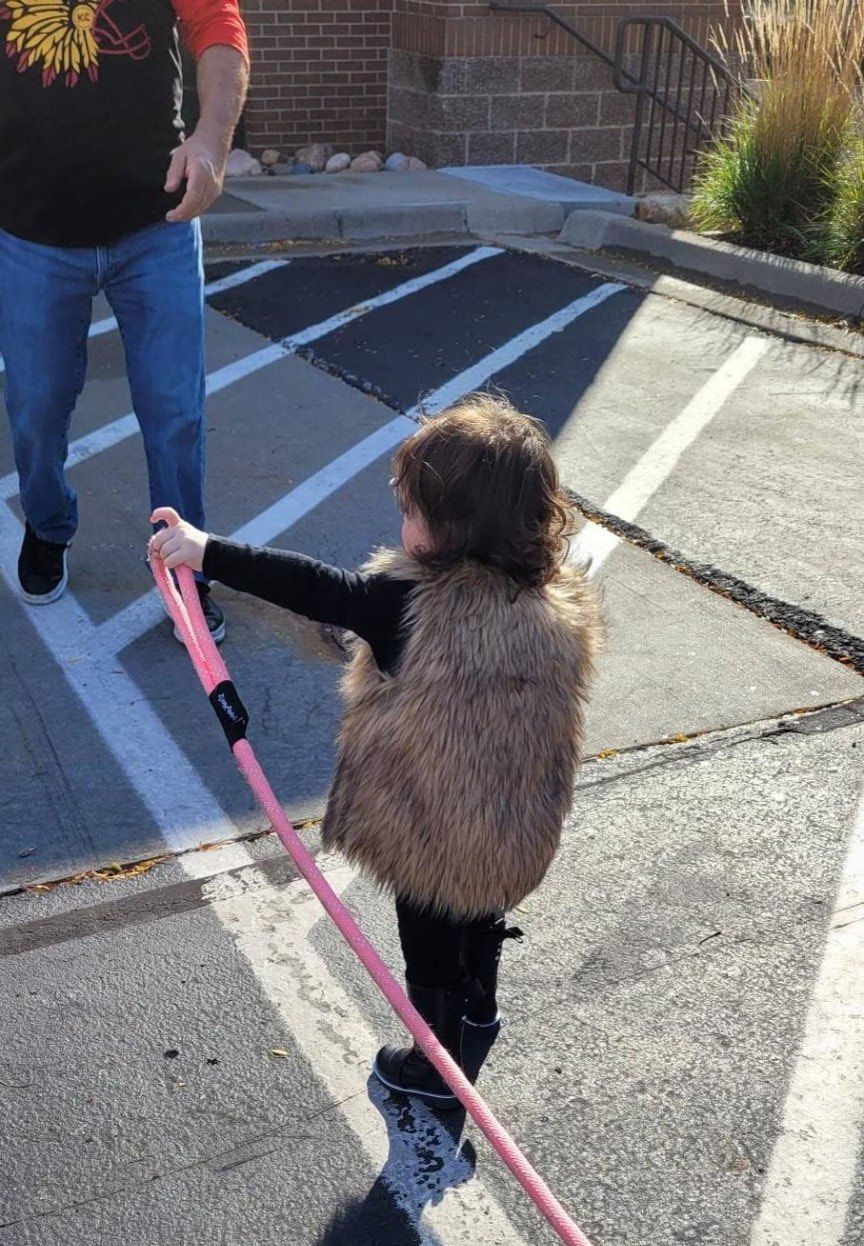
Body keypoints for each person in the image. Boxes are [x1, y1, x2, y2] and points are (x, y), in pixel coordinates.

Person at [149, 395, 604, 1108]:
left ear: (451, 530)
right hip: (513, 823)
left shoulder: (408, 607)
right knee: (478, 912)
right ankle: (479, 1006)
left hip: (429, 826)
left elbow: (313, 586)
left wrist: (206, 551)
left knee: (428, 935)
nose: (401, 522)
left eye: (412, 511)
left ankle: (437, 1063)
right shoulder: (556, 605)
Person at [0, 0, 249, 641]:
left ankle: (183, 570)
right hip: (30, 230)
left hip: (155, 223)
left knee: (174, 411)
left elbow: (217, 26)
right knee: (36, 404)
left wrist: (212, 140)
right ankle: (49, 525)